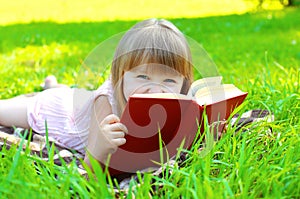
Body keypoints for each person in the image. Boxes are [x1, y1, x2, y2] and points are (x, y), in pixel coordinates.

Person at [0, 18, 193, 169]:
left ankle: (54, 85)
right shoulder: (105, 105)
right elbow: (90, 168)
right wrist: (99, 149)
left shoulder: (180, 102)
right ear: (120, 75)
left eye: (169, 81)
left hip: (80, 100)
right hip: (57, 111)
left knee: (75, 95)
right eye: (143, 77)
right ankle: (52, 90)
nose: (155, 90)